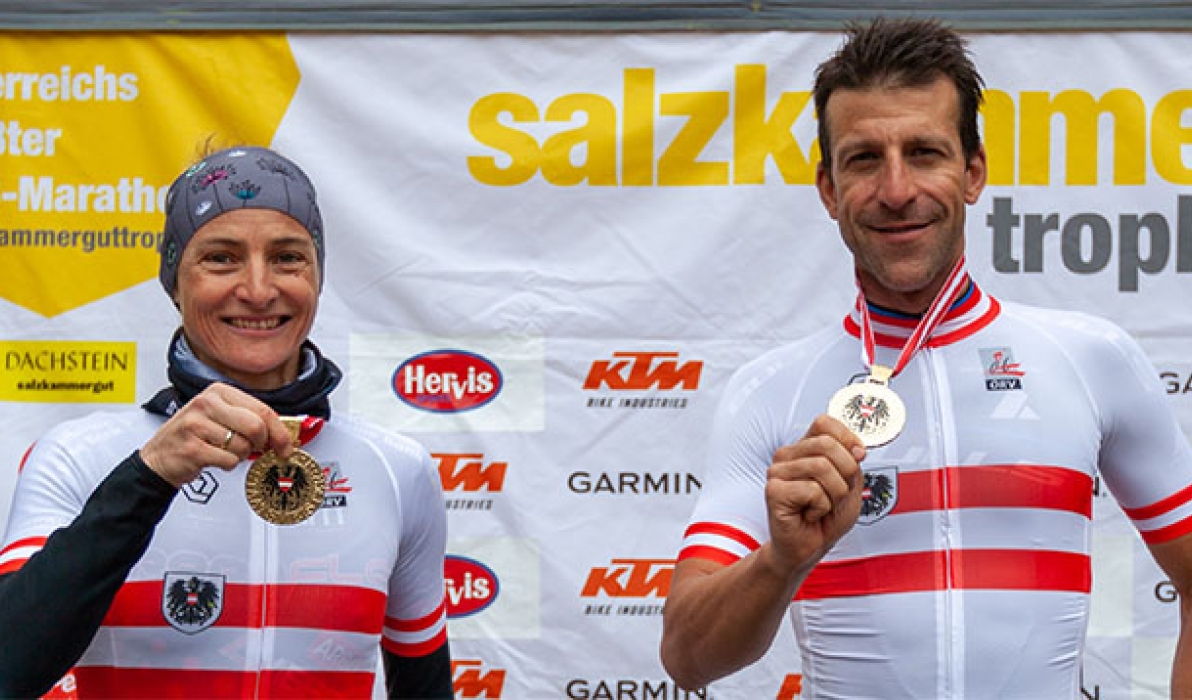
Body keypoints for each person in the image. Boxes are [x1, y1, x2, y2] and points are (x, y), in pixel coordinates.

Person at [660, 17, 1192, 699]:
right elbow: (687, 659)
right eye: (863, 159)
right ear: (828, 190)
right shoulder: (769, 392)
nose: (896, 189)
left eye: (924, 153)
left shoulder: (1092, 359)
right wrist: (781, 561)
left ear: (972, 173)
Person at [0, 146, 453, 698]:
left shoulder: (397, 470)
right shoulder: (80, 455)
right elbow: (9, 670)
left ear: (317, 277)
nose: (258, 290)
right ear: (174, 281)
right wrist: (149, 477)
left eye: (287, 258)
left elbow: (425, 689)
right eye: (221, 258)